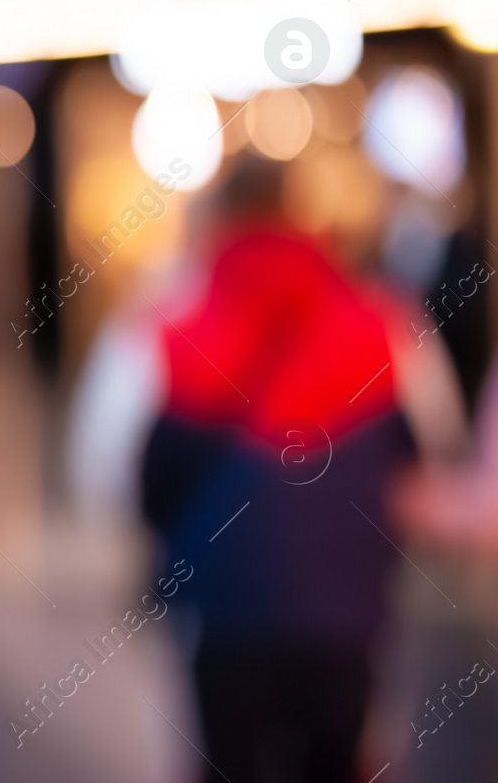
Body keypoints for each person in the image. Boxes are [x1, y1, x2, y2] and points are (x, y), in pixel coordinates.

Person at [70, 159, 465, 783]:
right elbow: (435, 461)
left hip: (218, 614)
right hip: (351, 614)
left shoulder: (158, 328)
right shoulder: (388, 325)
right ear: (302, 214)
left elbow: (104, 476)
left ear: (215, 223)